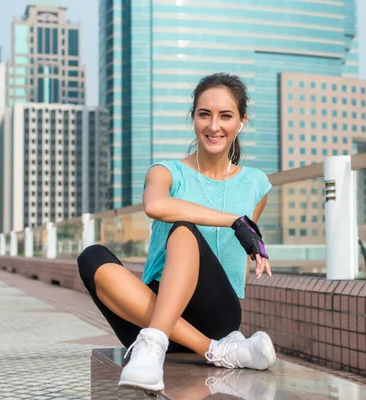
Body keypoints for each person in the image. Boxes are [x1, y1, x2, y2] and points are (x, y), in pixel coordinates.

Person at [77, 72, 276, 393]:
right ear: (193, 118)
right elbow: (155, 205)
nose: (214, 126)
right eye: (204, 114)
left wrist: (250, 237)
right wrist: (233, 221)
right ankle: (211, 350)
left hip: (215, 314)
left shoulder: (256, 184)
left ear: (241, 122)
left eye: (226, 116)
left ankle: (159, 341)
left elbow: (241, 248)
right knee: (91, 257)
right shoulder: (165, 171)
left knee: (184, 231)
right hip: (146, 315)